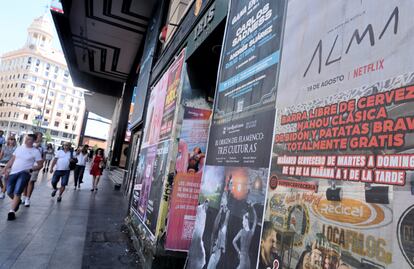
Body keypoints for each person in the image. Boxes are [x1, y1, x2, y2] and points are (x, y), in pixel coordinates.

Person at [2, 134, 42, 220]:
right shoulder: (19, 148)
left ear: (34, 141)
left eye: (29, 139)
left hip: (24, 173)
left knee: (17, 191)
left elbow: (40, 165)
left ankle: (11, 211)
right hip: (13, 172)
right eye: (26, 139)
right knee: (9, 191)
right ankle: (17, 201)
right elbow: (12, 159)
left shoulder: (36, 152)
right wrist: (5, 168)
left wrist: (31, 169)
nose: (27, 140)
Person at [22, 132, 45, 207]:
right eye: (39, 137)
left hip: (36, 166)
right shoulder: (29, 144)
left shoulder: (42, 146)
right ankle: (24, 195)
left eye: (41, 137)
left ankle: (28, 198)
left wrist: (41, 164)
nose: (40, 138)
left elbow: (43, 156)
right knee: (25, 181)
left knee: (31, 181)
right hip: (26, 165)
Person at [232, 203, 258, 269]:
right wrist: (253, 208)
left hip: (244, 258)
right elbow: (255, 220)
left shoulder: (242, 231)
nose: (242, 222)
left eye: (243, 220)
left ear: (246, 221)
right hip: (246, 259)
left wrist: (239, 251)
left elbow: (233, 241)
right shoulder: (251, 232)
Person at [187, 200, 209, 269]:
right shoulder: (199, 209)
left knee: (198, 258)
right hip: (195, 237)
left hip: (198, 237)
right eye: (207, 204)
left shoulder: (204, 213)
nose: (207, 207)